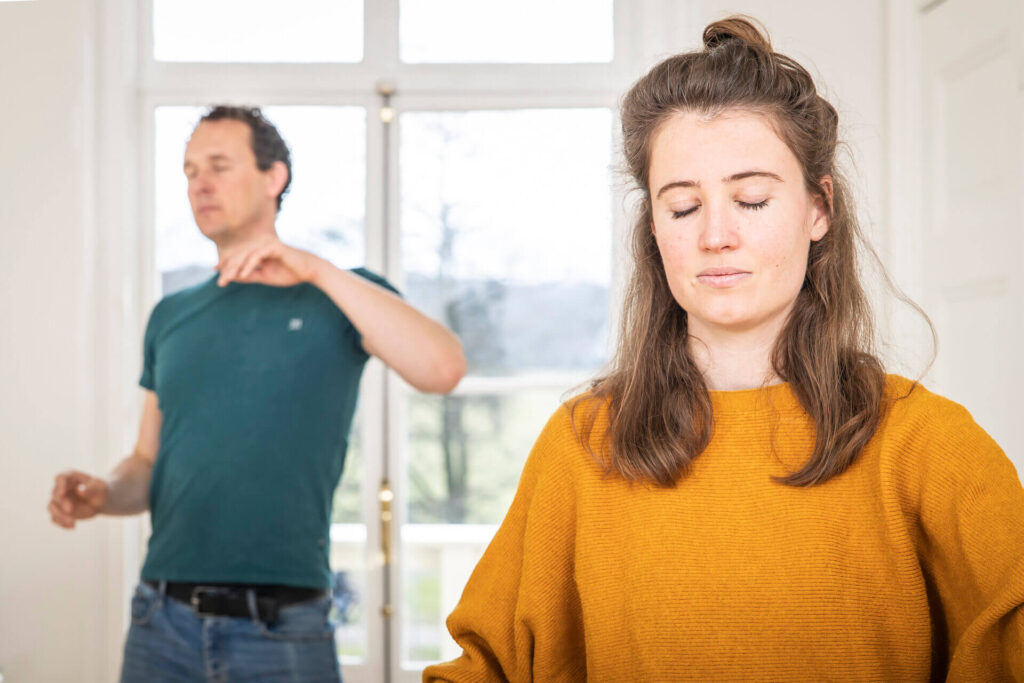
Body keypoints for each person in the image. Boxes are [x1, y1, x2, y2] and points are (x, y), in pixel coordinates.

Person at [423, 16, 1024, 682]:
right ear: (654, 228)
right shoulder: (582, 445)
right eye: (682, 207)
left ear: (818, 208)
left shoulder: (927, 444)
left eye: (752, 198)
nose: (716, 234)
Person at [47, 105, 466, 682]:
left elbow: (442, 368)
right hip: (159, 625)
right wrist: (103, 492)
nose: (200, 183)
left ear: (275, 178)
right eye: (190, 170)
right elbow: (146, 464)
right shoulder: (172, 315)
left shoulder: (340, 295)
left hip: (284, 630)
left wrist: (313, 269)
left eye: (218, 164)